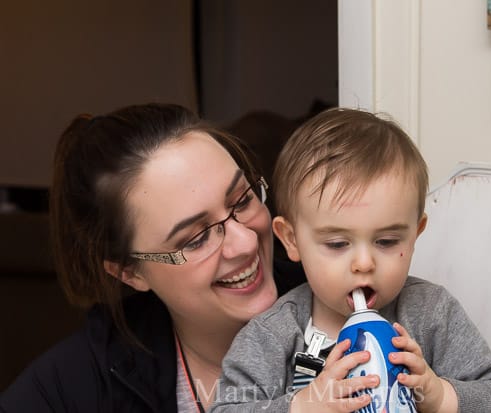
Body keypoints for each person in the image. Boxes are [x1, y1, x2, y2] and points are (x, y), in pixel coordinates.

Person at [210, 108, 491, 412]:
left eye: (387, 241)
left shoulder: (432, 315)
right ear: (292, 240)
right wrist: (300, 406)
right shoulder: (273, 336)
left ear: (415, 234)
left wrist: (439, 395)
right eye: (337, 244)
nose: (364, 263)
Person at [0, 103, 306, 412]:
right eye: (196, 239)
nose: (246, 243)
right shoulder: (72, 387)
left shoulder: (347, 303)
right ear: (129, 272)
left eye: (241, 201)